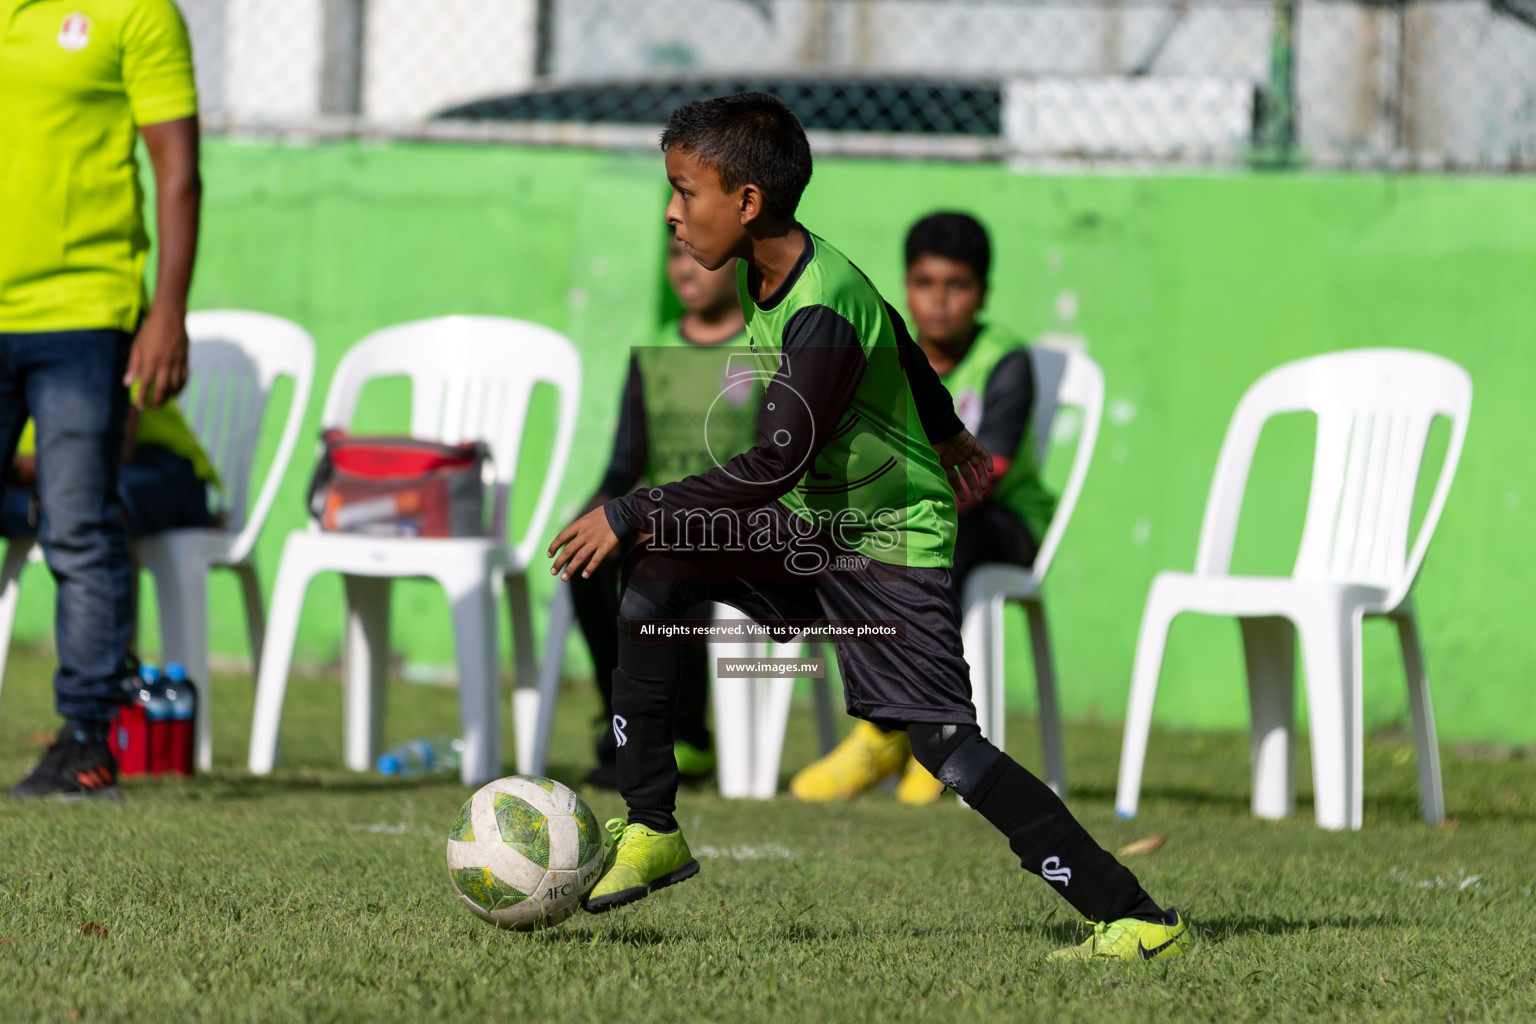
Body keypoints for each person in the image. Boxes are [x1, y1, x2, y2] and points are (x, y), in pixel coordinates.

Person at [548, 93, 1190, 961]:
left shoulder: (815, 306)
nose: (669, 210)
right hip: (819, 524)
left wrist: (627, 508)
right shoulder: (771, 266)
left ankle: (1140, 918)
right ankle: (652, 825)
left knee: (948, 751)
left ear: (745, 202)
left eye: (683, 191)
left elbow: (772, 463)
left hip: (886, 542)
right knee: (660, 570)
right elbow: (889, 324)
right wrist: (945, 423)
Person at [0, 0, 202, 800]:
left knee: (78, 523)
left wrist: (167, 313)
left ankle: (84, 742)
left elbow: (178, 170)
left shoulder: (138, 13)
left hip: (86, 314)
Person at [791, 212, 1055, 806]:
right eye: (925, 284)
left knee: (936, 546)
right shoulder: (887, 352)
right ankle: (898, 731)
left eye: (957, 286)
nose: (939, 302)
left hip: (1002, 522)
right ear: (907, 286)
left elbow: (990, 473)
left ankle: (917, 735)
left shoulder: (1003, 360)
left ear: (982, 293)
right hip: (909, 515)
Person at [570, 229, 755, 789]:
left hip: (743, 525)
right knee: (586, 560)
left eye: (700, 256)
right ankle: (626, 721)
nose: (686, 268)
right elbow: (625, 463)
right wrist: (593, 513)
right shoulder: (654, 351)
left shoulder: (765, 349)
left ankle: (688, 735)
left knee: (678, 566)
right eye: (677, 255)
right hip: (662, 519)